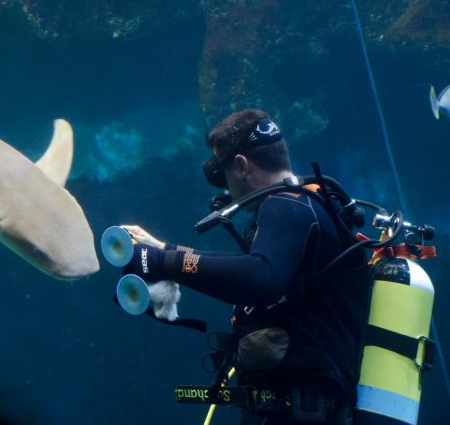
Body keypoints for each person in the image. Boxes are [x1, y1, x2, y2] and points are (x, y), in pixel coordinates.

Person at [122, 109, 368, 425]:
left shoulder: (284, 206)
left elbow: (261, 279)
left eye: (223, 174)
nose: (224, 188)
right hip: (305, 410)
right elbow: (252, 266)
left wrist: (164, 263)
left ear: (240, 165)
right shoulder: (305, 203)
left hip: (299, 414)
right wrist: (168, 250)